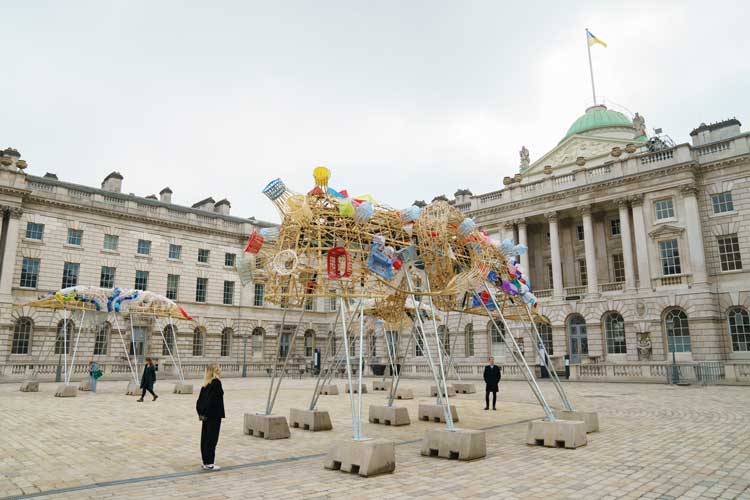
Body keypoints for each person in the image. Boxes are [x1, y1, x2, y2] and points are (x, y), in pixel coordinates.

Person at [196, 364, 225, 471]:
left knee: (205, 438)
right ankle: (209, 463)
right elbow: (214, 401)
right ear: (216, 371)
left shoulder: (206, 384)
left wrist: (201, 413)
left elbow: (199, 402)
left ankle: (206, 461)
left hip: (206, 416)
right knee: (212, 439)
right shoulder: (216, 383)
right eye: (219, 368)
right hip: (214, 415)